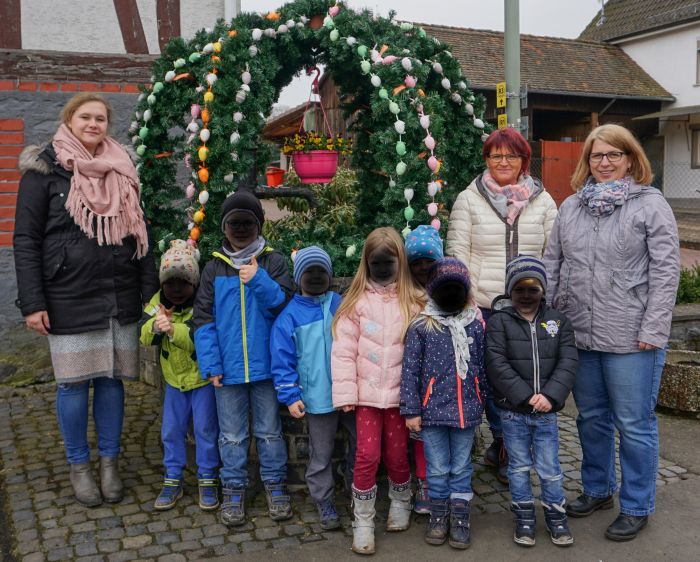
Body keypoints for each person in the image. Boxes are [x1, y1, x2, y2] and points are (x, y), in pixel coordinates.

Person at [13, 93, 158, 507]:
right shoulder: (44, 171)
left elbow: (141, 237)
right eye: (85, 117)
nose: (93, 124)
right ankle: (79, 465)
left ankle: (109, 462)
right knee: (73, 383)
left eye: (100, 118)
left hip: (118, 291)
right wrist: (32, 302)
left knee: (111, 380)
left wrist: (148, 295)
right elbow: (25, 240)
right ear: (69, 120)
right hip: (66, 294)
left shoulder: (124, 168)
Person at [543, 124, 680, 541]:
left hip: (631, 337)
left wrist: (654, 328)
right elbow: (551, 264)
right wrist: (548, 322)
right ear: (587, 161)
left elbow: (666, 271)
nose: (604, 163)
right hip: (580, 334)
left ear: (630, 158)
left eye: (612, 155)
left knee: (634, 423)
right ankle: (598, 489)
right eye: (596, 156)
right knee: (591, 419)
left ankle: (637, 504)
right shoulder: (571, 207)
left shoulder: (650, 206)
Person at [446, 128, 558, 483]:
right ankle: (503, 442)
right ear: (487, 160)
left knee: (525, 377)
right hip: (484, 305)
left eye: (511, 156)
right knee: (494, 380)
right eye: (496, 156)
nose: (504, 162)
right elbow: (457, 253)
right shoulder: (469, 199)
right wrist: (466, 299)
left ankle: (511, 448)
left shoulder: (543, 200)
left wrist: (547, 297)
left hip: (529, 305)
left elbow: (553, 254)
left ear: (524, 161)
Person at [193, 190, 295, 527]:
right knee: (232, 435)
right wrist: (211, 365)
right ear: (223, 227)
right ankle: (234, 488)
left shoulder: (273, 262)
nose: (240, 229)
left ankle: (275, 485)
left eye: (247, 223)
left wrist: (259, 280)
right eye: (233, 223)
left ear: (258, 225)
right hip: (228, 370)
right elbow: (203, 320)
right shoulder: (213, 269)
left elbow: (283, 305)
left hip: (267, 368)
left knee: (269, 432)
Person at [331, 226, 425, 555]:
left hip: (402, 399)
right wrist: (345, 395)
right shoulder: (355, 303)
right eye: (376, 264)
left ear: (401, 262)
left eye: (389, 263)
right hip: (367, 399)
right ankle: (363, 519)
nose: (383, 270)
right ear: (366, 263)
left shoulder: (414, 302)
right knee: (367, 456)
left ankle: (401, 501)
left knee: (398, 456)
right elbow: (343, 351)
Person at [485, 255, 578, 547]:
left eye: (533, 289)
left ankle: (555, 515)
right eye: (519, 289)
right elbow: (496, 363)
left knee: (550, 468)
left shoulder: (558, 322)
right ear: (509, 291)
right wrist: (524, 396)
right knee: (518, 466)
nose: (526, 295)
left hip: (546, 411)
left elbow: (568, 361)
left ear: (543, 290)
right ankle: (524, 514)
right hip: (513, 411)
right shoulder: (499, 322)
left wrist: (550, 395)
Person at [400, 257, 485, 550]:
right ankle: (439, 515)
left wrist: (481, 399)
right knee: (437, 468)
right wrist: (411, 410)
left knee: (461, 467)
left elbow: (481, 367)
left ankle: (459, 516)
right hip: (432, 413)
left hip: (466, 412)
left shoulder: (474, 326)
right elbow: (410, 370)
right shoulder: (422, 327)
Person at [270, 246, 356, 531]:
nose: (317, 276)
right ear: (298, 277)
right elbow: (282, 360)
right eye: (310, 271)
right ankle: (324, 499)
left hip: (351, 394)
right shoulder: (289, 317)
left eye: (322, 271)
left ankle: (357, 486)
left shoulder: (339, 304)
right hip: (316, 398)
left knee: (362, 444)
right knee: (321, 453)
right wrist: (291, 395)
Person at [139, 240, 220, 511]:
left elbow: (200, 339)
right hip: (174, 382)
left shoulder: (202, 305)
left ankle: (208, 476)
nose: (175, 289)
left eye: (182, 283)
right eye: (169, 283)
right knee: (171, 431)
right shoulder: (156, 303)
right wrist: (156, 325)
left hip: (201, 380)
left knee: (205, 430)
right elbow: (143, 335)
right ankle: (172, 476)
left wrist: (174, 330)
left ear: (194, 283)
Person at [404, 225, 443, 515]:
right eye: (416, 262)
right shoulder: (404, 295)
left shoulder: (450, 290)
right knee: (419, 434)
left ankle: (444, 481)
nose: (422, 267)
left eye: (429, 261)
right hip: (414, 375)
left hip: (442, 377)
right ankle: (425, 482)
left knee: (443, 434)